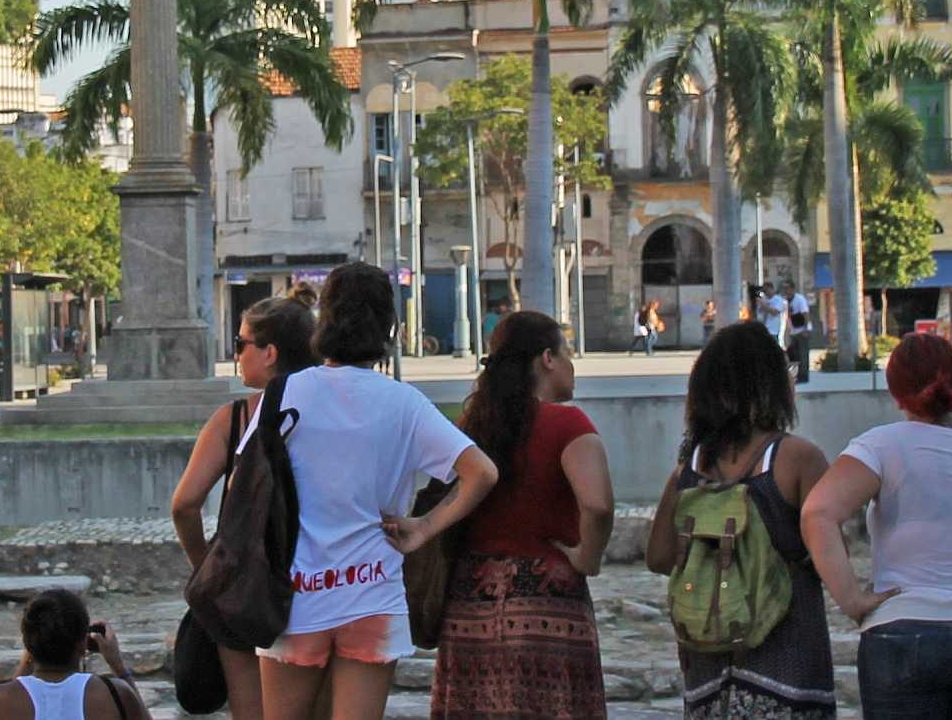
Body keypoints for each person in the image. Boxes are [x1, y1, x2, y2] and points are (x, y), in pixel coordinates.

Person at [256, 262, 499, 720]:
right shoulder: (403, 403)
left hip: (295, 596)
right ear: (388, 325)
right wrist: (424, 528)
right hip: (372, 595)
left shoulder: (284, 394)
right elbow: (481, 472)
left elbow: (244, 482)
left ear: (324, 320)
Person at [801, 332, 952, 720]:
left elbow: (818, 512)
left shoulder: (880, 447)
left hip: (904, 632)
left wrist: (851, 599)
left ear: (895, 392)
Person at [431, 311, 614, 720]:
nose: (572, 365)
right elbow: (598, 505)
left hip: (470, 605)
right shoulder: (568, 424)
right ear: (547, 358)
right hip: (546, 605)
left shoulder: (473, 425)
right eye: (567, 353)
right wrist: (588, 557)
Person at [648, 322, 834, 720]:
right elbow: (829, 558)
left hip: (707, 665)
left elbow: (659, 557)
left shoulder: (690, 469)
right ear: (772, 384)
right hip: (788, 660)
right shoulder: (797, 458)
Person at [170, 296, 316, 720]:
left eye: (241, 343)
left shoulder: (235, 419)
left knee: (251, 710)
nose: (236, 355)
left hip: (248, 585)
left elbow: (184, 504)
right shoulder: (332, 412)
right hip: (319, 580)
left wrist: (206, 565)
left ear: (269, 353)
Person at [0, 588, 150, 720]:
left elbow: (19, 688)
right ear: (83, 642)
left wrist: (30, 652)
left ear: (28, 642)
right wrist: (118, 667)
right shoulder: (115, 693)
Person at [787, 286, 813, 384]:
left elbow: (806, 314)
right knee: (795, 355)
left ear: (793, 289)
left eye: (788, 288)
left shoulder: (799, 299)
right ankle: (796, 375)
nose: (786, 291)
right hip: (794, 330)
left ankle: (804, 376)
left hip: (802, 330)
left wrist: (806, 329)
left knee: (803, 354)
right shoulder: (787, 300)